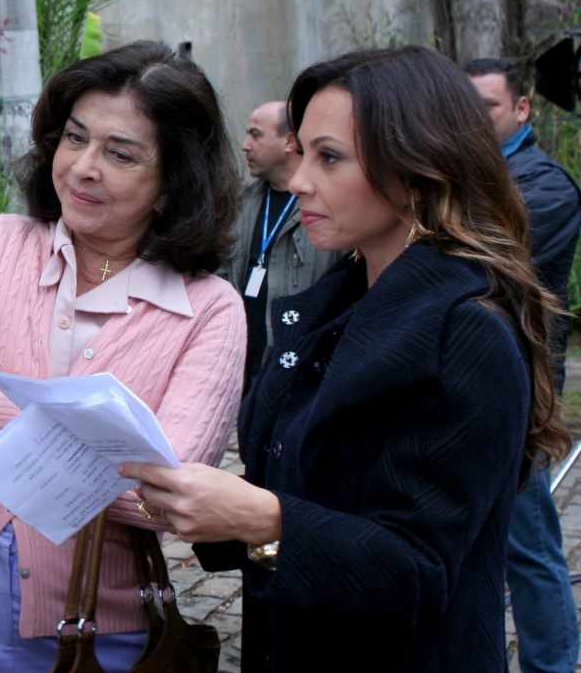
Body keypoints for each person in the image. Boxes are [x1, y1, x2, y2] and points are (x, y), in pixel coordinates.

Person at [124, 46, 573, 673]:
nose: (301, 178)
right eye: (303, 153)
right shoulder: (330, 309)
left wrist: (263, 518)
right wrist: (202, 504)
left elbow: (420, 572)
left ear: (418, 166)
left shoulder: (467, 329)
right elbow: (304, 484)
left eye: (329, 157)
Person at [0, 42, 246, 671]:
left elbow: (165, 495)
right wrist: (98, 441)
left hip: (101, 636)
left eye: (120, 153)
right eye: (74, 138)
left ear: (172, 183)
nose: (82, 166)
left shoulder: (209, 308)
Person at [466, 56, 580, 673]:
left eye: (485, 107)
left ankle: (553, 665)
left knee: (527, 544)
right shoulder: (471, 179)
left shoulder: (546, 185)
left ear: (520, 110)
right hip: (464, 384)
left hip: (520, 394)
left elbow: (489, 265)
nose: (474, 120)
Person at [223, 100, 341, 391]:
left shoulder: (326, 208)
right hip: (244, 375)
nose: (245, 145)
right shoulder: (242, 204)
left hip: (301, 377)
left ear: (289, 142)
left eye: (256, 134)